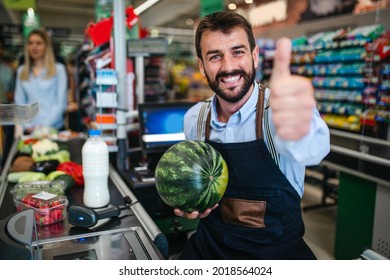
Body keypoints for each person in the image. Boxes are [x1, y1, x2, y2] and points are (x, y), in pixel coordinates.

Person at [176, 11, 330, 259]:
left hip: (277, 256)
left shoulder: (278, 112)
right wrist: (193, 203)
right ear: (201, 66)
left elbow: (314, 150)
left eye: (238, 52)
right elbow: (197, 183)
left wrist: (300, 128)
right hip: (209, 249)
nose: (228, 67)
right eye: (215, 56)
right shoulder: (195, 118)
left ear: (254, 56)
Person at [14, 29, 68, 135]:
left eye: (39, 43)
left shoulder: (59, 70)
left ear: (46, 46)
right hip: (29, 130)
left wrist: (43, 126)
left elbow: (61, 102)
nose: (34, 47)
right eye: (30, 43)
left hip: (54, 129)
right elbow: (19, 102)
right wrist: (27, 125)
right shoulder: (21, 71)